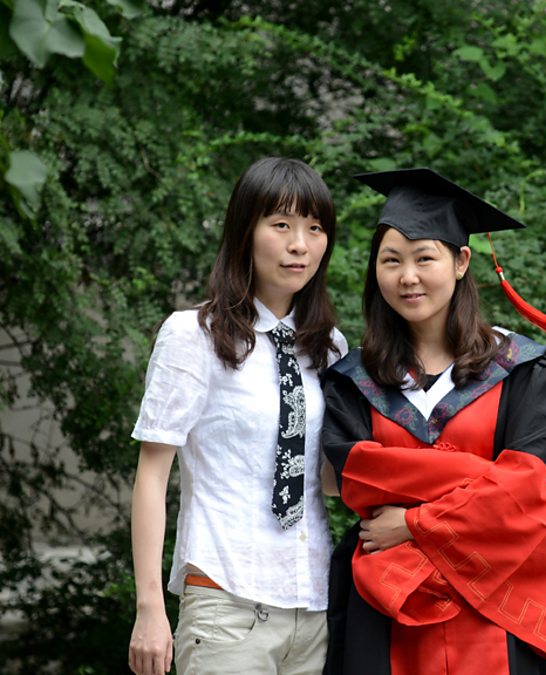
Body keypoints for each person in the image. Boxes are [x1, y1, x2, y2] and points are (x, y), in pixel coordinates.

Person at [321, 168, 546, 674]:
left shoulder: (523, 369)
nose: (408, 276)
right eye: (391, 260)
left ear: (462, 261)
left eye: (425, 258)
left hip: (500, 605)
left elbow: (531, 491)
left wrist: (413, 522)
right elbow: (358, 476)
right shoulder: (353, 381)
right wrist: (483, 477)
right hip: (390, 605)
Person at [128, 157, 347, 675]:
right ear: (244, 230)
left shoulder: (329, 347)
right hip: (226, 604)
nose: (300, 244)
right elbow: (152, 475)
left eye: (315, 228)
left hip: (314, 606)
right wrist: (150, 608)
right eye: (281, 225)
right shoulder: (193, 337)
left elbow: (324, 479)